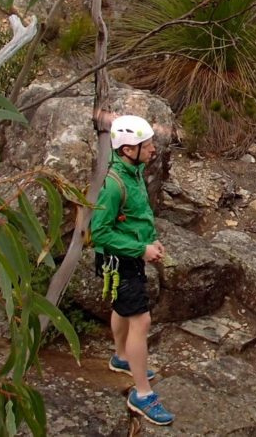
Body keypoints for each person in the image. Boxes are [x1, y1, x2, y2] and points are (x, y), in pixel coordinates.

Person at [91, 114, 174, 426]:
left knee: (122, 309)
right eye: (146, 144)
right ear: (127, 149)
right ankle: (142, 393)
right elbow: (99, 233)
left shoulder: (134, 170)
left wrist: (148, 240)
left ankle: (121, 358)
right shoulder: (113, 185)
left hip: (126, 255)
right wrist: (141, 249)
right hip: (120, 259)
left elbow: (135, 214)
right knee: (141, 320)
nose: (153, 149)